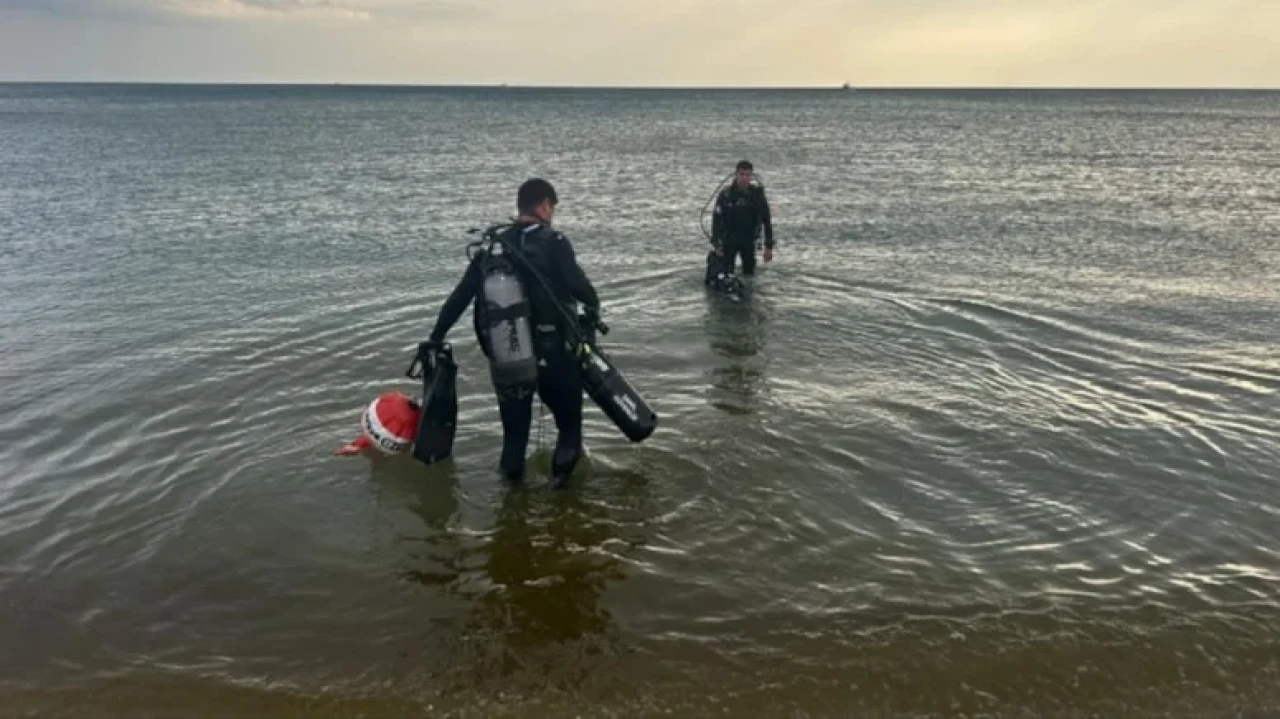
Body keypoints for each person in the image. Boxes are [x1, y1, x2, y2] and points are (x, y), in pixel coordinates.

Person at [424, 178, 602, 487]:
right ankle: (562, 502)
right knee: (569, 430)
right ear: (544, 205)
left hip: (509, 356)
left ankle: (511, 503)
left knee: (514, 440)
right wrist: (594, 311)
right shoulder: (555, 242)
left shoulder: (491, 248)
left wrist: (436, 337)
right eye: (552, 207)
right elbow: (579, 287)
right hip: (553, 356)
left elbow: (459, 298)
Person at [710, 159, 774, 276]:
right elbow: (716, 220)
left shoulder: (757, 195)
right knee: (726, 275)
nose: (744, 178)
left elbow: (767, 220)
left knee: (749, 276)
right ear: (736, 175)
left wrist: (769, 247)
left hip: (749, 240)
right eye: (742, 174)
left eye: (748, 175)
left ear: (752, 176)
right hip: (728, 240)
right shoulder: (726, 194)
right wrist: (716, 244)